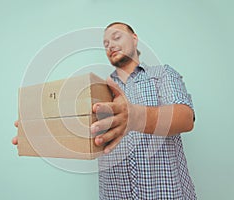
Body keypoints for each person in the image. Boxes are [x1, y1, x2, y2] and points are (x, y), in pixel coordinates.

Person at [12, 22, 196, 199]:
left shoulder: (162, 74)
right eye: (106, 43)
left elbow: (186, 118)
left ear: (134, 39)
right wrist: (44, 132)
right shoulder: (99, 90)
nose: (110, 45)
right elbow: (81, 132)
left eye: (117, 37)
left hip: (166, 193)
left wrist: (135, 118)